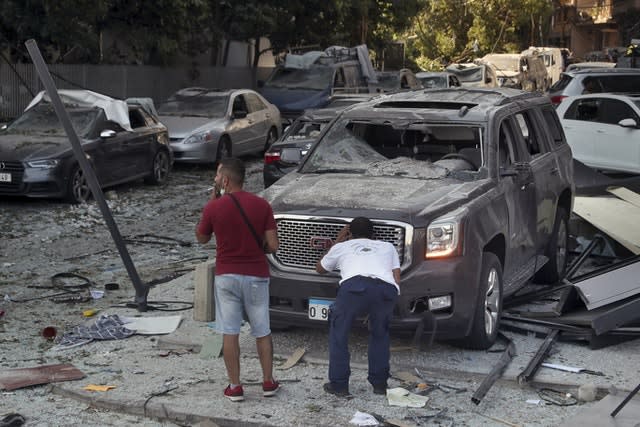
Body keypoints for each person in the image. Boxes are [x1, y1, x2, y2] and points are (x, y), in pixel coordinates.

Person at [195, 157, 280, 402]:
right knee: (262, 331)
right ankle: (268, 382)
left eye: (217, 176)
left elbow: (201, 239)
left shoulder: (214, 207)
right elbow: (273, 245)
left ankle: (235, 386)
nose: (215, 180)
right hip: (256, 277)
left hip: (227, 277)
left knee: (229, 332)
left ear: (226, 180)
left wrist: (212, 203)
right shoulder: (262, 205)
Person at [316, 217, 401, 397]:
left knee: (339, 333)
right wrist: (384, 303)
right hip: (385, 289)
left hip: (354, 287)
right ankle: (379, 384)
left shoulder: (342, 246)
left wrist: (338, 240)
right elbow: (396, 277)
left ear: (350, 233)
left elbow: (320, 268)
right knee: (380, 334)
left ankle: (339, 385)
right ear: (374, 233)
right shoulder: (388, 247)